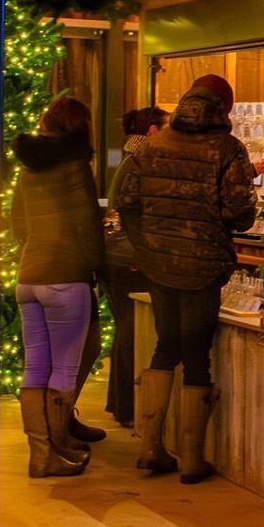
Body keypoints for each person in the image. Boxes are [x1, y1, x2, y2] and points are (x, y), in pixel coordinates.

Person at [114, 74, 257, 484]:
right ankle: (192, 458)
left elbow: (127, 202)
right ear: (223, 108)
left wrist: (146, 248)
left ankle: (151, 446)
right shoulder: (227, 149)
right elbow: (240, 213)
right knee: (197, 354)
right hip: (203, 264)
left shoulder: (153, 144)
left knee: (166, 345)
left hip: (158, 264)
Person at [10, 95, 104, 478]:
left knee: (35, 368)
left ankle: (41, 453)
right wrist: (95, 269)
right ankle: (57, 443)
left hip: (29, 277)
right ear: (80, 127)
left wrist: (35, 250)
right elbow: (87, 225)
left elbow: (17, 222)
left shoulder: (27, 166)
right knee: (65, 368)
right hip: (67, 278)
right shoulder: (76, 164)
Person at [102, 106, 169, 426]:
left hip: (118, 254)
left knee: (126, 331)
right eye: (166, 127)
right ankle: (128, 407)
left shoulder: (131, 157)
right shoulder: (143, 161)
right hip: (129, 256)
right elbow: (135, 211)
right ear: (154, 131)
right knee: (132, 332)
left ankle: (122, 404)